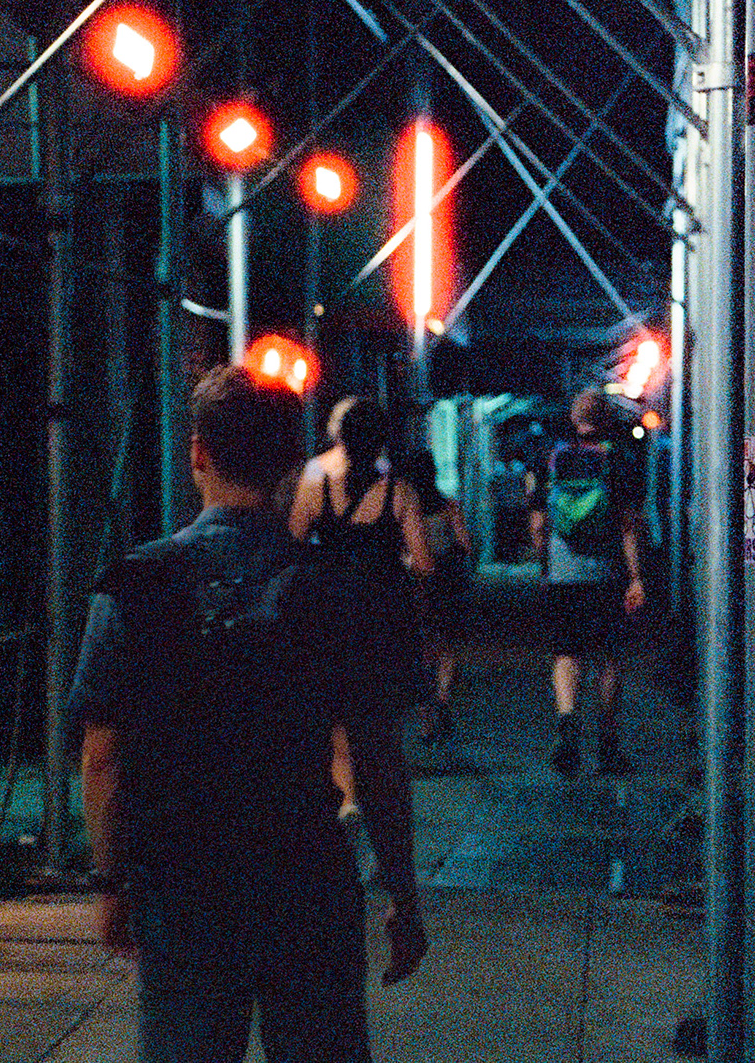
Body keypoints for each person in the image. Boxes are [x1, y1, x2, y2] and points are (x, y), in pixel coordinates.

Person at [72, 367, 425, 1063]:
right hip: (305, 871)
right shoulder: (332, 590)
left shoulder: (139, 584)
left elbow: (102, 757)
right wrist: (402, 892)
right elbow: (376, 755)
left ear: (198, 453)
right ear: (292, 461)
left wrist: (112, 884)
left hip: (185, 878)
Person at [287, 397, 435, 816]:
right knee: (381, 716)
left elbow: (292, 544)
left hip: (330, 612)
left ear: (339, 435)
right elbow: (424, 562)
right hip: (386, 614)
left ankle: (347, 797)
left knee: (336, 712)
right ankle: (386, 803)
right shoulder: (399, 490)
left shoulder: (315, 481)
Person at [527, 388, 647, 777]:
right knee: (609, 657)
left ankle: (567, 728)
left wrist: (545, 564)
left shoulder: (551, 457)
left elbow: (539, 523)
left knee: (566, 653)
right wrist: (635, 577)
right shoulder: (620, 460)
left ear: (575, 418)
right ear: (606, 419)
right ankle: (608, 744)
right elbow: (629, 525)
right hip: (606, 573)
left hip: (563, 574)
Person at [397, 449, 473, 748]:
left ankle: (425, 718)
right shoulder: (448, 504)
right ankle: (441, 701)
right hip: (445, 582)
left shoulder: (403, 506)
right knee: (446, 646)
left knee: (419, 649)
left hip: (414, 584)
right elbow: (465, 544)